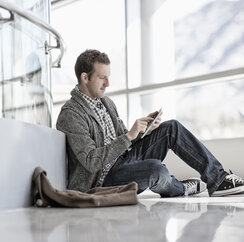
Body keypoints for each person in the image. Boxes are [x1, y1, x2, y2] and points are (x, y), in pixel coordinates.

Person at [56, 49, 244, 197]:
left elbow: (125, 141)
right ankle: (181, 188)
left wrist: (142, 131)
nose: (108, 84)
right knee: (155, 170)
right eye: (102, 77)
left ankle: (218, 179)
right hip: (102, 181)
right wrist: (129, 136)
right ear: (85, 77)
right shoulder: (71, 114)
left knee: (171, 128)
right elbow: (91, 162)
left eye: (108, 77)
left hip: (123, 160)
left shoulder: (106, 102)